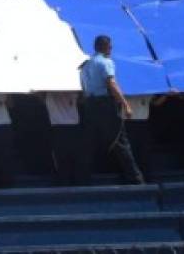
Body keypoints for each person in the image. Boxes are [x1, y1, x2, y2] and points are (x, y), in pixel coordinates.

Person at [78, 35, 143, 184]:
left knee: (89, 142)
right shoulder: (106, 63)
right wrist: (125, 104)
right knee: (120, 140)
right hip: (104, 104)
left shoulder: (85, 66)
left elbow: (83, 88)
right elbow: (111, 83)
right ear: (107, 47)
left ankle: (83, 178)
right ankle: (135, 179)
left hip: (90, 104)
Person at [43, 91, 83, 186]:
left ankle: (66, 182)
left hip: (60, 127)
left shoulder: (49, 92)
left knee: (63, 160)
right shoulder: (74, 90)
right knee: (71, 159)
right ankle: (72, 182)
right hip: (70, 126)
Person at [126, 94, 156, 182]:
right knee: (131, 152)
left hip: (144, 121)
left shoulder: (147, 90)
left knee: (144, 151)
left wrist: (167, 94)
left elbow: (156, 102)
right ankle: (133, 178)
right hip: (129, 121)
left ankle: (146, 178)